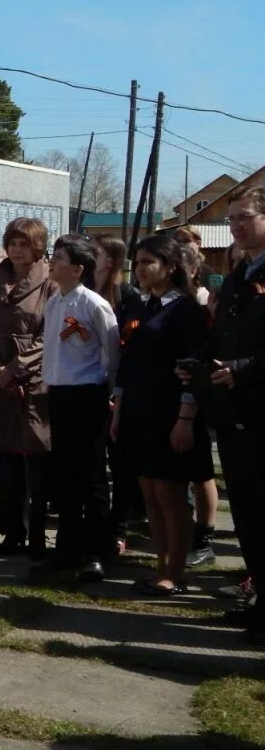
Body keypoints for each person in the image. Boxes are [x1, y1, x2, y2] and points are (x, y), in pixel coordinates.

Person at [184, 186, 265, 645]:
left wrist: (243, 369)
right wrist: (194, 361)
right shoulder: (236, 277)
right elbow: (223, 336)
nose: (235, 225)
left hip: (259, 406)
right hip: (233, 412)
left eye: (245, 217)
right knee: (249, 513)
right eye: (231, 218)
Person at [111, 234, 213, 596]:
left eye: (148, 263)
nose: (140, 269)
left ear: (170, 267)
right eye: (136, 262)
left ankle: (176, 570)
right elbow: (127, 362)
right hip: (139, 409)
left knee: (169, 492)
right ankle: (160, 564)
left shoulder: (184, 309)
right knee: (149, 489)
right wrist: (119, 408)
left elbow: (195, 364)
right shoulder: (140, 305)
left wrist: (186, 417)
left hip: (171, 413)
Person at [33, 234, 119, 583]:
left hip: (89, 395)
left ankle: (95, 552)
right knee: (64, 476)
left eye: (59, 257)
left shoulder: (93, 304)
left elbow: (111, 353)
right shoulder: (54, 302)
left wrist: (109, 392)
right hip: (60, 394)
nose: (51, 262)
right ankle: (66, 550)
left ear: (78, 268)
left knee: (92, 477)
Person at [0, 218, 55, 558]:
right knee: (5, 458)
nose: (17, 250)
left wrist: (18, 368)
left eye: (24, 244)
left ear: (37, 246)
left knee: (35, 459)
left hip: (34, 379)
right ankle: (12, 530)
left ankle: (37, 532)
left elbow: (49, 334)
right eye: (12, 243)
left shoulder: (50, 281)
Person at [92, 234, 145, 555]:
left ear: (109, 260)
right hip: (88, 388)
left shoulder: (127, 297)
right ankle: (95, 525)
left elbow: (129, 346)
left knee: (121, 465)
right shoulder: (82, 292)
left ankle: (119, 527)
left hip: (118, 391)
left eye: (95, 252)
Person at [177, 241, 220, 568]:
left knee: (200, 469)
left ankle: (204, 536)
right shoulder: (168, 302)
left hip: (199, 397)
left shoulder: (197, 305)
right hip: (172, 398)